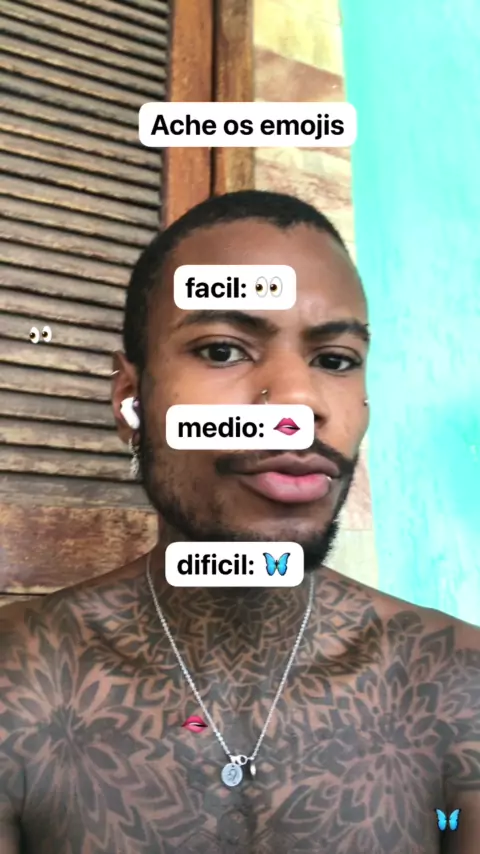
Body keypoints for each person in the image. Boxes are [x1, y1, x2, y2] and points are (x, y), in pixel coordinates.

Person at [0, 190, 478, 854]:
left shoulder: (456, 680)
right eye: (223, 350)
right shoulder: (18, 676)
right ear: (132, 402)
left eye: (335, 360)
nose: (299, 402)